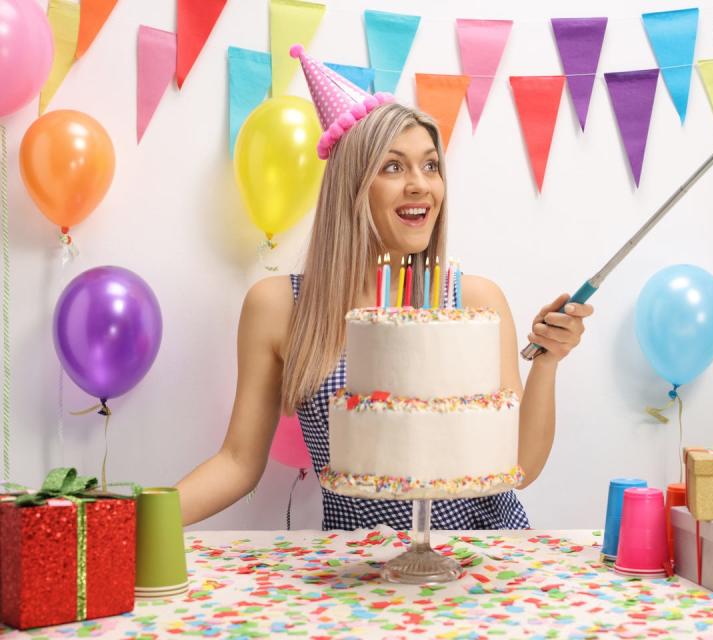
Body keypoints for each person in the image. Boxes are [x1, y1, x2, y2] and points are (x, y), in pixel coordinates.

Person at [175, 47, 593, 530]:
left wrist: (548, 361)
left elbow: (518, 466)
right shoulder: (279, 307)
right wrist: (131, 522)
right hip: (356, 573)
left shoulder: (475, 303)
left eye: (430, 165)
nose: (420, 185)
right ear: (351, 186)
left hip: (476, 567)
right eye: (393, 167)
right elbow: (236, 463)